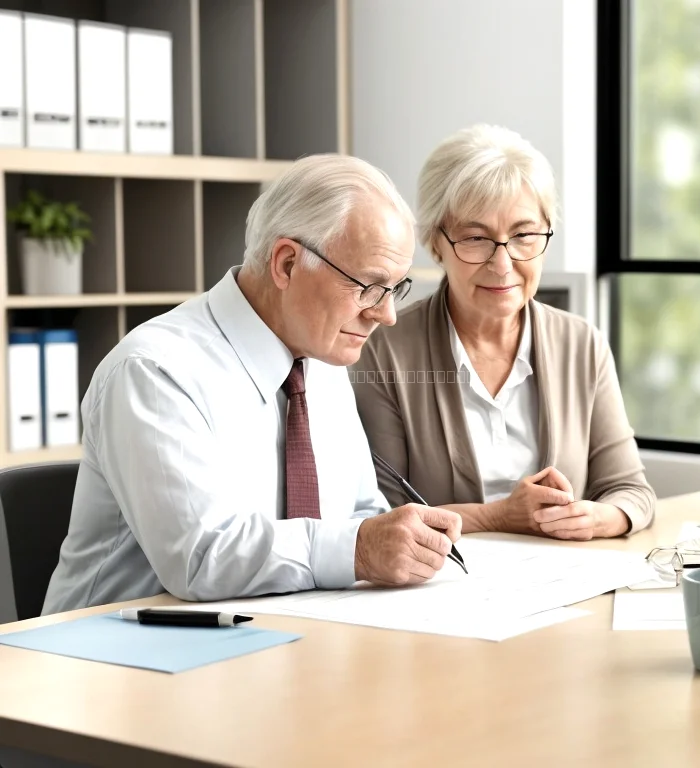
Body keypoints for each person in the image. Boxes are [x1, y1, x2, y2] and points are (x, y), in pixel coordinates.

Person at [42, 154, 462, 615]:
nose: (386, 314)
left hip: (267, 636)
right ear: (285, 264)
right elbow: (200, 557)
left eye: (395, 289)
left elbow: (361, 512)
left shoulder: (322, 362)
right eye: (369, 286)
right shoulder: (154, 370)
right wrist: (359, 549)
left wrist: (402, 540)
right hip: (111, 660)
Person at [351, 125, 655, 541]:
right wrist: (499, 516)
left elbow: (632, 491)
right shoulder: (384, 349)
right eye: (476, 238)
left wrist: (601, 518)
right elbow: (380, 515)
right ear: (436, 243)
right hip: (437, 589)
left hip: (566, 580)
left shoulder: (582, 345)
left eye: (524, 236)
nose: (503, 263)